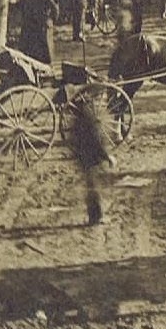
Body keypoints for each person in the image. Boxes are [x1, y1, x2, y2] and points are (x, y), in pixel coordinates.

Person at [66, 89, 117, 226]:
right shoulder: (92, 115)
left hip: (82, 154)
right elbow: (97, 139)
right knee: (95, 187)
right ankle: (97, 217)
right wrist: (107, 156)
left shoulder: (80, 113)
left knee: (91, 186)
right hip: (92, 156)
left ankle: (93, 216)